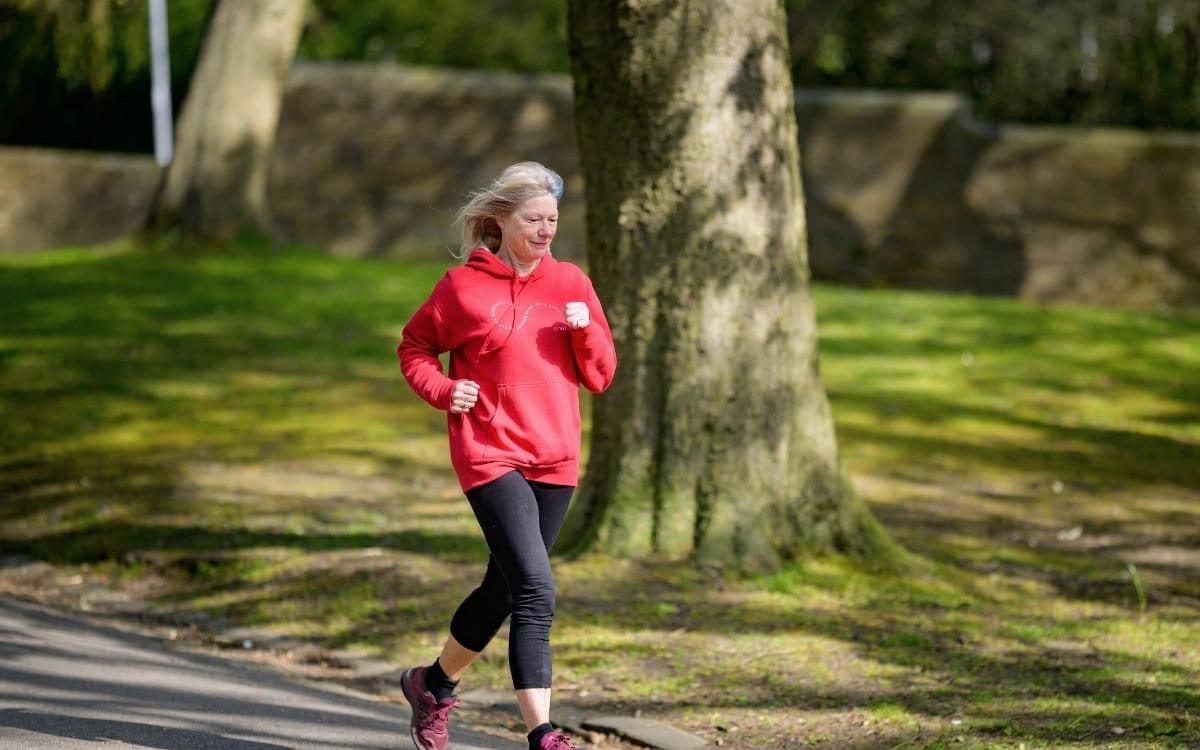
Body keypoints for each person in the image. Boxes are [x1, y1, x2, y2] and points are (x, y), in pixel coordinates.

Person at [396, 161, 617, 750]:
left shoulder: (572, 283)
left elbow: (600, 377)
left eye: (553, 219)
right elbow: (415, 348)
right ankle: (542, 733)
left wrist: (586, 331)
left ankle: (433, 683)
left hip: (555, 458)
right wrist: (445, 390)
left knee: (504, 588)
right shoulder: (460, 288)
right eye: (533, 219)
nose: (546, 231)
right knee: (536, 589)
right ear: (502, 219)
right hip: (490, 453)